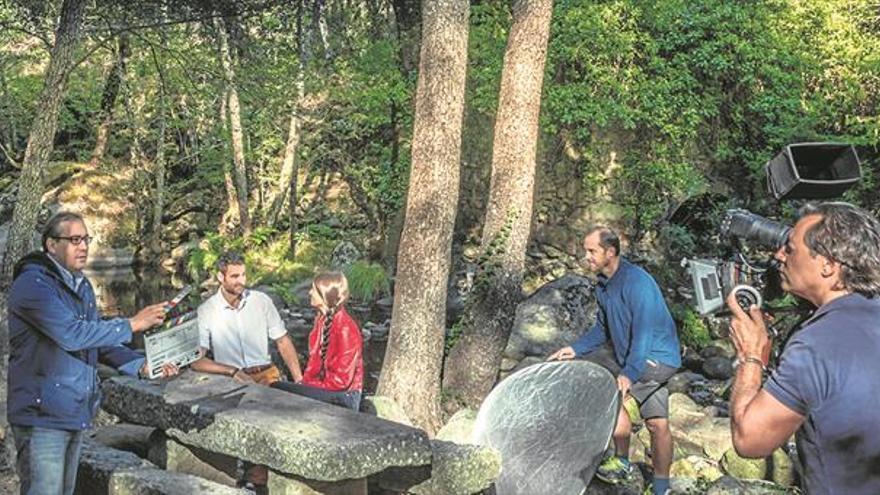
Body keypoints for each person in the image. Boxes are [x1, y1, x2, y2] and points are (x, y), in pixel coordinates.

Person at [7, 211, 177, 495]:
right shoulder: (32, 285)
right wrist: (132, 323)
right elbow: (72, 334)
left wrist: (142, 366)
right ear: (51, 245)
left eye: (86, 239)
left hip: (73, 410)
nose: (84, 246)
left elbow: (96, 337)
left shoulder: (81, 284)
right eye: (74, 240)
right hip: (41, 416)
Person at [726, 202, 880, 494]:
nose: (778, 255)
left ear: (828, 265)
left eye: (790, 249)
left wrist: (751, 355)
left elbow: (750, 439)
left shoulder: (818, 342)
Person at [549, 226, 681, 495]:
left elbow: (643, 332)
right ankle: (661, 487)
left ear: (610, 252)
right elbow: (603, 328)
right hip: (645, 358)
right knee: (657, 424)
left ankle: (621, 463)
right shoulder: (604, 286)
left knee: (612, 397)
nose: (586, 256)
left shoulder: (637, 283)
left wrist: (629, 373)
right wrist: (575, 349)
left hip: (656, 358)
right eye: (586, 251)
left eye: (592, 251)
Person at [191, 251, 303, 385]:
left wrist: (299, 380)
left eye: (243, 275)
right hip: (232, 379)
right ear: (221, 277)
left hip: (267, 375)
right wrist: (232, 371)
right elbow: (197, 360)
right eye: (235, 276)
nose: (242, 281)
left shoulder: (261, 301)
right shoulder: (207, 310)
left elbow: (283, 341)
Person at [274, 272, 364, 411]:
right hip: (326, 389)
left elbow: (341, 382)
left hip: (344, 396)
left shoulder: (346, 329)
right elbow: (314, 365)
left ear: (325, 295)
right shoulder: (322, 320)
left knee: (279, 390)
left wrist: (306, 386)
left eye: (314, 290)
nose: (310, 292)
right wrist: (304, 383)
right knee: (276, 388)